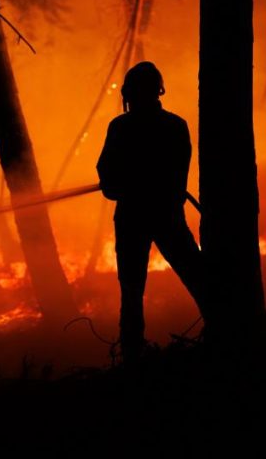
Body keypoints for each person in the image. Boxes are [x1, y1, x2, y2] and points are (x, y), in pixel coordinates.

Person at [96, 61, 208, 358]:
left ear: (131, 94)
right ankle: (225, 335)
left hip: (135, 217)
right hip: (167, 216)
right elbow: (176, 182)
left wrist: (125, 186)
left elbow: (107, 180)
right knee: (198, 279)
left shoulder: (121, 127)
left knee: (131, 292)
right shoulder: (175, 126)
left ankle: (132, 356)